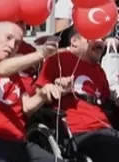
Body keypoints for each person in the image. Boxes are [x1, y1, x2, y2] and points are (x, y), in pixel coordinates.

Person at [0, 22, 60, 162]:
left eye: (18, 43)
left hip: (16, 141)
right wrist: (41, 54)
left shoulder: (12, 73)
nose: (12, 45)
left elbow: (26, 106)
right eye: (8, 37)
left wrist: (43, 94)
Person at [36, 29, 119, 160]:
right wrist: (55, 87)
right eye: (94, 38)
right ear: (74, 41)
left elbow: (108, 103)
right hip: (80, 131)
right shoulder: (58, 60)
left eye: (102, 40)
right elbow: (39, 92)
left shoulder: (100, 71)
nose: (101, 43)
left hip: (106, 128)